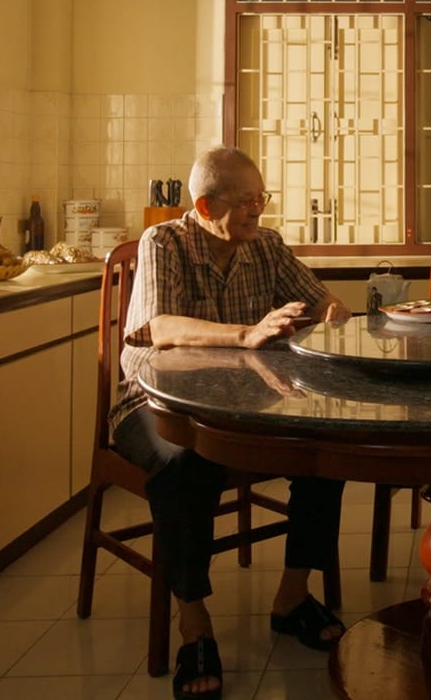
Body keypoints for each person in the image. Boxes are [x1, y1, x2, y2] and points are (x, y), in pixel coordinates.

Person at [109, 146, 352, 698]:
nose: (258, 210)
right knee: (183, 465)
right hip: (154, 406)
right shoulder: (163, 242)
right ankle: (193, 623)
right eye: (246, 201)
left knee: (326, 449)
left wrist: (331, 309)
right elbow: (157, 325)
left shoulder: (264, 245)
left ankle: (292, 597)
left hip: (243, 406)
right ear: (203, 204)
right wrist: (246, 333)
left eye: (261, 198)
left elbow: (318, 299)